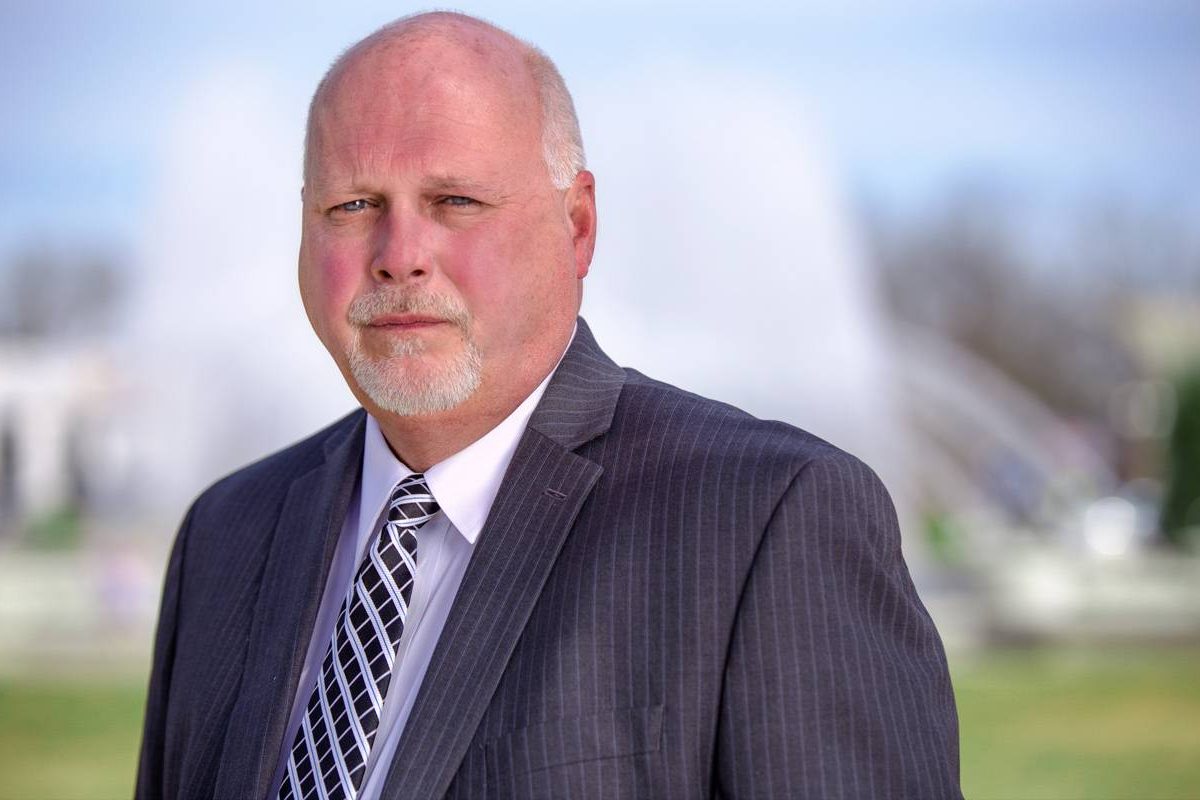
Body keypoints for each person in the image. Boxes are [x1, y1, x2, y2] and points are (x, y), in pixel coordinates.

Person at [136, 11, 961, 800]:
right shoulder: (226, 534)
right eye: (353, 206)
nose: (399, 257)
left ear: (577, 225)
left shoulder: (770, 519)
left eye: (455, 201)